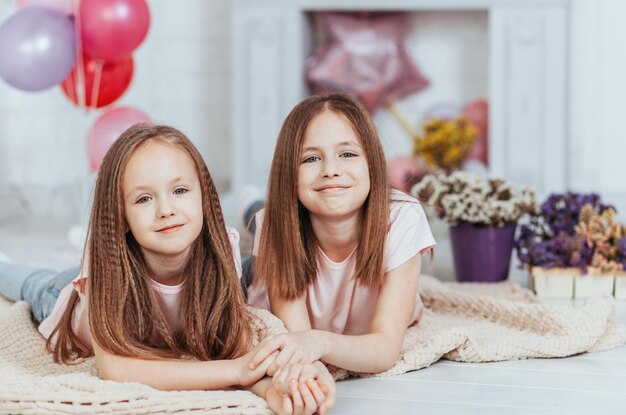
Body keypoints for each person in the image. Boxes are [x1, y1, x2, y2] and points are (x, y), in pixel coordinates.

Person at [0, 124, 334, 415]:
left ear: (203, 197)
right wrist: (235, 371)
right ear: (121, 215)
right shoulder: (102, 263)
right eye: (144, 199)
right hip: (65, 295)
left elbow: (234, 350)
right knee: (28, 283)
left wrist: (269, 390)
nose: (166, 210)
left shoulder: (221, 249)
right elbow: (114, 368)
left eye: (180, 191)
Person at [244, 93, 436, 375]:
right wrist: (309, 349)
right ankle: (249, 203)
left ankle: (250, 201)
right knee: (249, 245)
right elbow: (299, 343)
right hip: (267, 256)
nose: (331, 170)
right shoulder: (276, 223)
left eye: (347, 154)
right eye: (310, 158)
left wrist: (318, 342)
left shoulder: (403, 216)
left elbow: (384, 351)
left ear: (371, 162)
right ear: (289, 173)